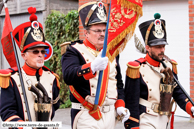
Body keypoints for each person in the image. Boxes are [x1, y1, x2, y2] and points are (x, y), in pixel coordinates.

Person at [61, 1, 130, 129]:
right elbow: (68, 75)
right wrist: (91, 67)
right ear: (86, 33)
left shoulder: (112, 52)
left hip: (110, 114)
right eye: (97, 31)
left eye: (104, 30)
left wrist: (120, 104)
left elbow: (117, 81)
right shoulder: (74, 50)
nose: (102, 34)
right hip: (86, 113)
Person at [124, 13, 194, 129]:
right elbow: (131, 101)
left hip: (163, 118)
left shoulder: (169, 66)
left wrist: (190, 107)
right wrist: (133, 125)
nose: (162, 50)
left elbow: (177, 92)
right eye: (158, 47)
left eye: (163, 46)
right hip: (144, 118)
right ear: (148, 47)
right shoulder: (136, 68)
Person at [0, 7, 60, 128]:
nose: (40, 54)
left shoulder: (52, 78)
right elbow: (6, 112)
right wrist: (24, 125)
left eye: (43, 51)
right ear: (23, 55)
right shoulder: (12, 79)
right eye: (35, 51)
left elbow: (55, 106)